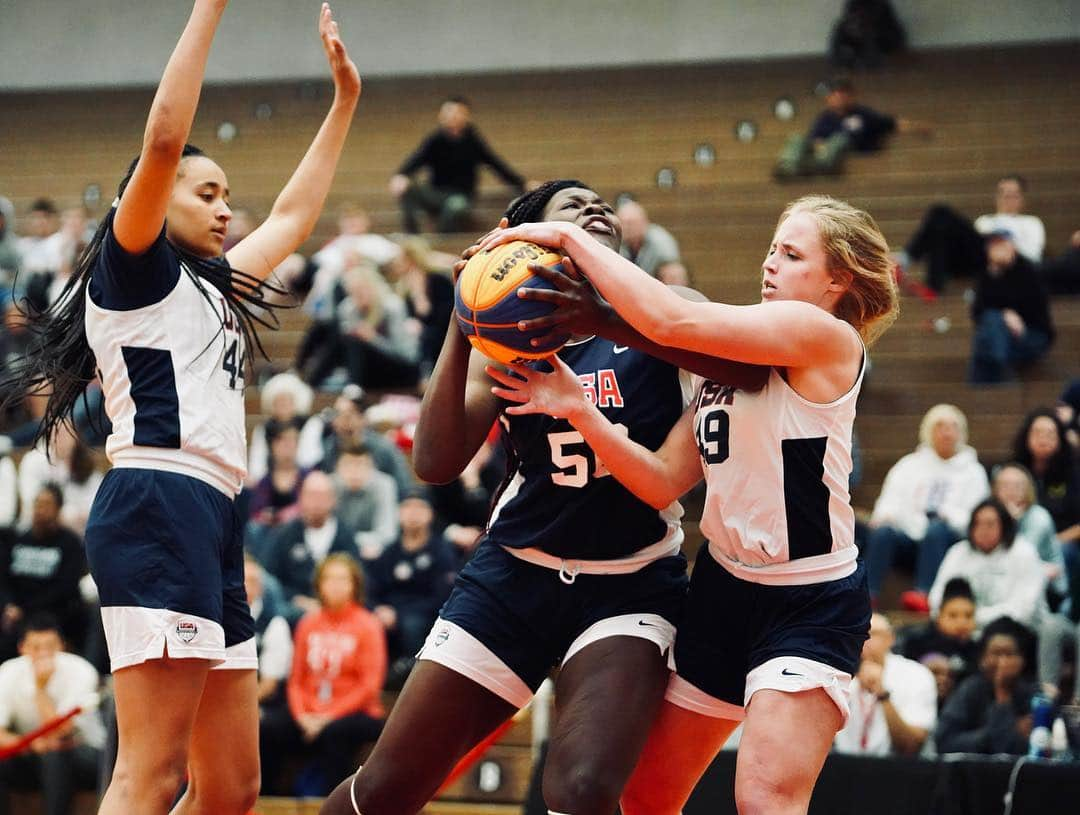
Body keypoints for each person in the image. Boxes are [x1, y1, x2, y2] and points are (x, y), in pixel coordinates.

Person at [0, 4, 361, 813]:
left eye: (229, 194)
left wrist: (344, 103)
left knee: (231, 785)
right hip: (158, 501)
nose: (226, 207)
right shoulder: (134, 269)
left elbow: (297, 219)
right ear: (156, 199)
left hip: (215, 514)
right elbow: (163, 142)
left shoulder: (214, 286)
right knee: (151, 772)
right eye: (208, 191)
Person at [321, 179, 768, 815]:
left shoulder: (670, 307)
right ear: (528, 238)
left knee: (583, 790)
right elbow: (435, 462)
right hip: (513, 577)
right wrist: (464, 313)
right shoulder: (507, 334)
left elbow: (749, 369)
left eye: (601, 205)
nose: (596, 209)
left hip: (629, 584)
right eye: (572, 205)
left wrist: (607, 319)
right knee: (386, 788)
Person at [475, 193, 898, 814]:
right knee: (647, 796)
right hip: (724, 590)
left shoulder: (826, 335)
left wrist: (565, 241)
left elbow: (672, 322)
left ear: (837, 280)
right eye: (771, 249)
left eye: (791, 253)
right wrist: (576, 409)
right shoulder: (726, 367)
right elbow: (659, 480)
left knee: (763, 799)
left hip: (807, 599)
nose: (770, 263)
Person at [260, 553, 386, 796]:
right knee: (269, 728)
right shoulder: (309, 623)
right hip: (309, 713)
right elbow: (296, 680)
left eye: (342, 579)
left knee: (336, 733)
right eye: (329, 579)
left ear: (354, 585)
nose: (336, 585)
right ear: (319, 585)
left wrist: (327, 717)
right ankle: (268, 802)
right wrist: (303, 715)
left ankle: (333, 805)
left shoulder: (368, 625)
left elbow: (369, 686)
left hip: (355, 713)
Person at [928, 498, 1078, 699]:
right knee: (927, 637)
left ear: (1004, 525)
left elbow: (1023, 610)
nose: (983, 529)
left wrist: (971, 620)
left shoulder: (1023, 551)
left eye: (990, 524)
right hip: (964, 628)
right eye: (978, 523)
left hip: (1018, 631)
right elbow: (937, 598)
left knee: (998, 636)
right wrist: (957, 621)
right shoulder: (958, 552)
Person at [864, 403, 990, 608]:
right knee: (883, 532)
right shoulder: (909, 464)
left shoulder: (973, 471)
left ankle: (924, 593)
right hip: (910, 539)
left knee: (936, 529)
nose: (946, 432)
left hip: (948, 541)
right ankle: (867, 594)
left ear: (962, 432)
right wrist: (886, 515)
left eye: (952, 427)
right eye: (940, 426)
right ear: (928, 431)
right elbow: (889, 500)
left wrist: (947, 515)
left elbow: (977, 517)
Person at [0, 614, 104, 815]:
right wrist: (28, 744)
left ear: (62, 646)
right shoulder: (8, 672)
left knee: (55, 755)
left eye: (50, 646)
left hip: (84, 753)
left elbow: (61, 733)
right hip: (32, 751)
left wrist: (40, 689)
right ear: (22, 648)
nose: (43, 654)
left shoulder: (81, 670)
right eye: (36, 647)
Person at [389, 96, 528, 234]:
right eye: (449, 113)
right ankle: (412, 236)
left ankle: (443, 239)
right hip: (436, 193)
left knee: (455, 206)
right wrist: (401, 175)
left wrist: (522, 184)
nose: (453, 117)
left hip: (461, 196)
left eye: (457, 113)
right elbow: (416, 159)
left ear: (466, 116)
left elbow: (495, 164)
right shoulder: (435, 139)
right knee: (408, 188)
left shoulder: (472, 140)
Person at [899, 174, 1046, 292]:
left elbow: (1033, 257)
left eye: (1013, 195)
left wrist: (1003, 248)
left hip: (1011, 264)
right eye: (1003, 194)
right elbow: (972, 250)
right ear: (996, 197)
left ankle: (905, 260)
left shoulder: (1031, 223)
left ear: (1022, 199)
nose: (1007, 199)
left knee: (941, 214)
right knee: (940, 218)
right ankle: (919, 272)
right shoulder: (985, 221)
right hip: (980, 261)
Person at [366, 489, 456, 668]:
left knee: (412, 625)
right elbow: (372, 589)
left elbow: (442, 598)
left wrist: (398, 614)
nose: (413, 513)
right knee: (368, 621)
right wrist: (378, 609)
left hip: (423, 616)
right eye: (407, 507)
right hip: (389, 613)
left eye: (419, 507)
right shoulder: (389, 552)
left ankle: (410, 672)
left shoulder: (442, 552)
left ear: (431, 514)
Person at [0, 485, 89, 661]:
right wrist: (9, 604)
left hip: (52, 613)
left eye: (47, 505)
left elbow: (65, 588)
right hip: (15, 612)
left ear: (58, 509)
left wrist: (24, 609)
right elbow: (4, 579)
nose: (40, 510)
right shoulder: (18, 539)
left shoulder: (69, 543)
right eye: (38, 504)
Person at [774, 77, 927, 178]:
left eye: (843, 95)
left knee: (839, 140)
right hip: (825, 150)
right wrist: (819, 145)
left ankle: (819, 167)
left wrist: (918, 127)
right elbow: (815, 137)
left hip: (851, 148)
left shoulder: (863, 114)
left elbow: (892, 124)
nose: (839, 98)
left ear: (851, 97)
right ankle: (788, 166)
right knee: (796, 138)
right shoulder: (825, 117)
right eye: (835, 95)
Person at [259, 471, 359, 622]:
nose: (317, 502)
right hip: (295, 610)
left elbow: (357, 578)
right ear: (301, 498)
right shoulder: (285, 534)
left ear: (333, 500)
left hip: (339, 607)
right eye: (311, 495)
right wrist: (296, 599)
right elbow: (269, 578)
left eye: (322, 496)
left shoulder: (346, 536)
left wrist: (330, 601)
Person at [834, 613, 937, 757]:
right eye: (857, 634)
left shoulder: (916, 675)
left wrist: (882, 694)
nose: (864, 640)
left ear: (890, 638)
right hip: (842, 768)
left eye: (873, 634)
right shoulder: (836, 674)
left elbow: (911, 746)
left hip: (899, 771)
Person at [935, 616, 1037, 755]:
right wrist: (993, 733)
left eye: (1009, 654)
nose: (1003, 662)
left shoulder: (1033, 695)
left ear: (1022, 660)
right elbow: (944, 742)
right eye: (996, 653)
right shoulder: (970, 689)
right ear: (982, 659)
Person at [969, 229, 1054, 384]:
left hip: (1033, 335)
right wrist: (1005, 315)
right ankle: (999, 374)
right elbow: (977, 313)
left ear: (1012, 246)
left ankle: (1000, 375)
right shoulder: (987, 274)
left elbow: (1035, 309)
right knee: (988, 329)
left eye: (1001, 244)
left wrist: (1009, 316)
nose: (996, 249)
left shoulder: (1028, 270)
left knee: (986, 337)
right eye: (993, 245)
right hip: (1001, 335)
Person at [992, 462, 1070, 609]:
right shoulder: (991, 515)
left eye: (1017, 485)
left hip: (1049, 589)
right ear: (995, 490)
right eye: (1005, 485)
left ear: (1028, 489)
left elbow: (1021, 559)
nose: (1011, 491)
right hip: (1007, 578)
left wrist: (1011, 522)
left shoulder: (1039, 517)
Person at [897, 577, 980, 697]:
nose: (962, 623)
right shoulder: (916, 643)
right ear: (939, 616)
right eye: (953, 615)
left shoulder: (978, 650)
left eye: (968, 616)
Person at [616, 199, 682, 279]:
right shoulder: (614, 239)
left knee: (674, 271)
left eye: (631, 223)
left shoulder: (660, 240)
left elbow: (674, 270)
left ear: (645, 222)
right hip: (623, 285)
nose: (627, 228)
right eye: (623, 223)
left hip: (656, 286)